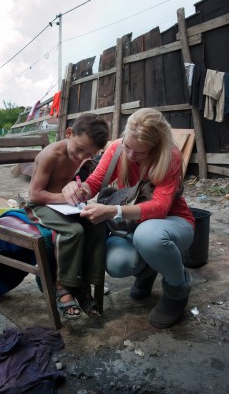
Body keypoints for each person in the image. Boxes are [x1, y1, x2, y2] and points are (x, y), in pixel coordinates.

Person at [62, 108, 195, 329]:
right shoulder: (117, 149)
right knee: (117, 263)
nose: (131, 156)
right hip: (133, 225)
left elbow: (160, 208)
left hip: (173, 224)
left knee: (149, 236)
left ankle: (177, 288)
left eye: (140, 153)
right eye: (128, 147)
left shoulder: (169, 156)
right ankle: (148, 271)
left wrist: (114, 211)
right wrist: (78, 188)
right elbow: (94, 183)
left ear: (156, 147)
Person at [24, 113, 109, 320]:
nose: (81, 157)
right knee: (74, 231)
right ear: (68, 133)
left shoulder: (79, 155)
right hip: (39, 206)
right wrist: (64, 198)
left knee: (98, 224)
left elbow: (76, 184)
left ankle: (85, 283)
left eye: (88, 154)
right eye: (79, 149)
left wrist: (78, 193)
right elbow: (34, 194)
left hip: (65, 205)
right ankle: (62, 285)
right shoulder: (50, 155)